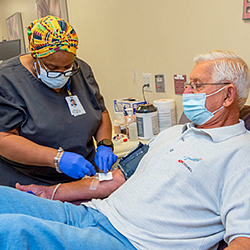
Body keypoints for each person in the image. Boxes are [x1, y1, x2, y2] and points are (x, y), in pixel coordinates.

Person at [2, 49, 250, 249]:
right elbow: (119, 176)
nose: (187, 92)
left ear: (228, 95)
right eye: (188, 84)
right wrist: (52, 192)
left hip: (129, 241)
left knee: (12, 232)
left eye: (197, 85)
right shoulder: (174, 133)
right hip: (95, 214)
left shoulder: (240, 154)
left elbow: (243, 239)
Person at [0, 15, 117, 187]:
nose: (61, 72)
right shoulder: (8, 80)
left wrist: (104, 144)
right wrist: (57, 159)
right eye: (52, 67)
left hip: (80, 178)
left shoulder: (81, 70)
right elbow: (4, 138)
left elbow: (101, 112)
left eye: (67, 66)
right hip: (30, 183)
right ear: (35, 56)